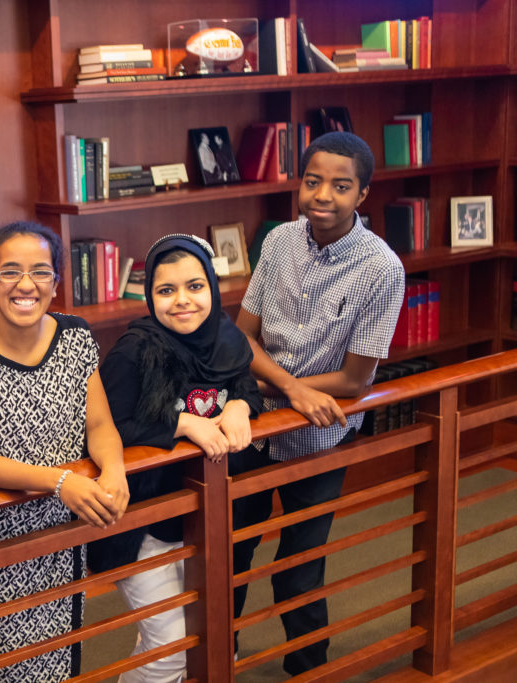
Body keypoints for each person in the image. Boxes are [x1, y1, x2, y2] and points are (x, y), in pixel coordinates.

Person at [233, 131, 405, 674]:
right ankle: (218, 656)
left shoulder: (383, 268)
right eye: (312, 181)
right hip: (255, 424)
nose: (322, 195)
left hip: (320, 436)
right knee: (231, 553)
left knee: (299, 567)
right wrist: (292, 387)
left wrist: (287, 386)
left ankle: (309, 667)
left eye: (340, 185)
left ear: (363, 194)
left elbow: (355, 381)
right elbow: (242, 339)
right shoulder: (280, 239)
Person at [0, 221, 129, 682]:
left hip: (64, 527)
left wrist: (114, 469)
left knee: (62, 658)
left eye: (40, 272)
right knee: (4, 670)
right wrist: (60, 481)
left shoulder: (76, 336)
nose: (26, 284)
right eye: (10, 272)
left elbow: (99, 424)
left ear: (56, 284)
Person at [87, 234, 261, 683]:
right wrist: (181, 424)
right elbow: (105, 425)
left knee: (197, 636)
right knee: (169, 650)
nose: (182, 301)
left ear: (213, 288)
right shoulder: (134, 351)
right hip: (146, 521)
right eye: (166, 291)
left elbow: (240, 384)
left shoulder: (225, 336)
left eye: (195, 286)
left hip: (206, 514)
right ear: (150, 296)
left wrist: (242, 406)